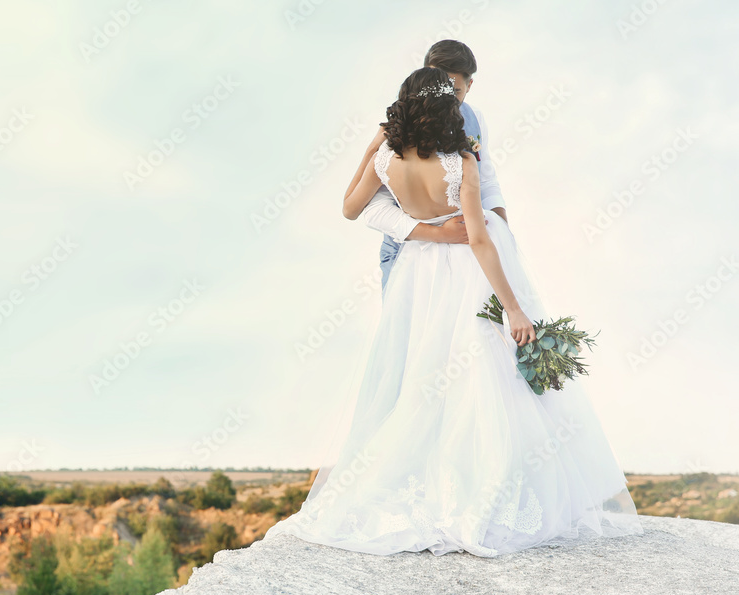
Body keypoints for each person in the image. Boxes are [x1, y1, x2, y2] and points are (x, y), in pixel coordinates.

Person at [263, 67, 642, 558]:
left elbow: (350, 209)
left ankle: (431, 484)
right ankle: (479, 488)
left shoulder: (385, 158)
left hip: (419, 275)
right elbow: (479, 238)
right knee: (486, 376)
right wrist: (514, 308)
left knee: (428, 374)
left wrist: (372, 160)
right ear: (447, 109)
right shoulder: (460, 160)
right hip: (466, 270)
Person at [356, 40, 508, 296]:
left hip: (468, 252)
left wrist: (503, 232)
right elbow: (374, 207)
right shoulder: (399, 131)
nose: (444, 102)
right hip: (410, 254)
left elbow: (487, 179)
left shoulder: (475, 119)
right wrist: (439, 234)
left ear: (469, 85)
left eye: (455, 92)